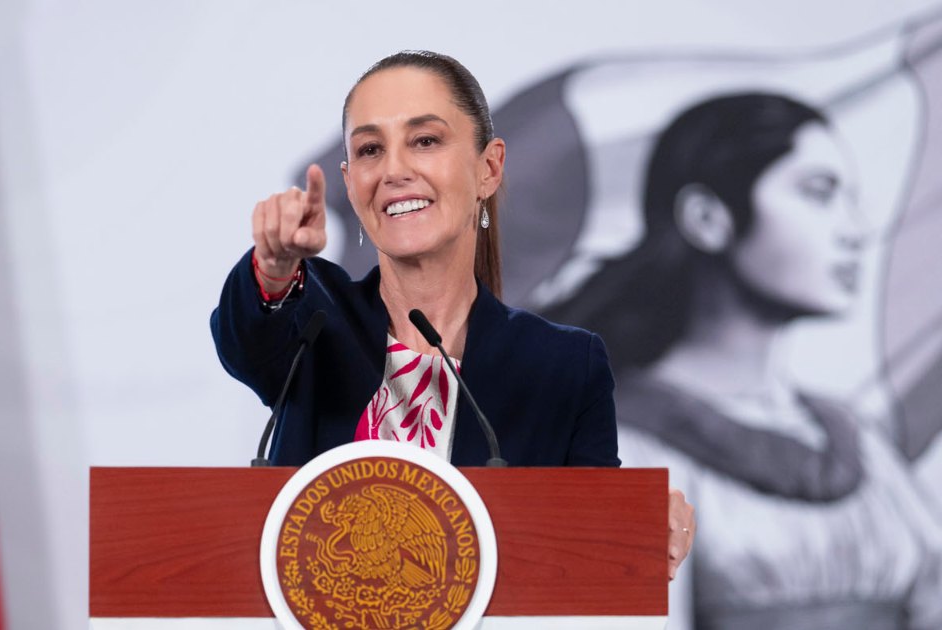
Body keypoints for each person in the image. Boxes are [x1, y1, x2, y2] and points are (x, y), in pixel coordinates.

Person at [210, 50, 694, 579]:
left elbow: (590, 543)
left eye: (425, 140)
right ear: (350, 183)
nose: (394, 170)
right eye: (371, 149)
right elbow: (250, 333)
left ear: (488, 169)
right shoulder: (315, 319)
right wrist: (276, 265)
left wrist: (642, 522)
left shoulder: (566, 365)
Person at [541, 93, 942, 629]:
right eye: (819, 193)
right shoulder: (605, 446)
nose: (856, 229)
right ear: (708, 218)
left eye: (852, 198)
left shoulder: (857, 441)